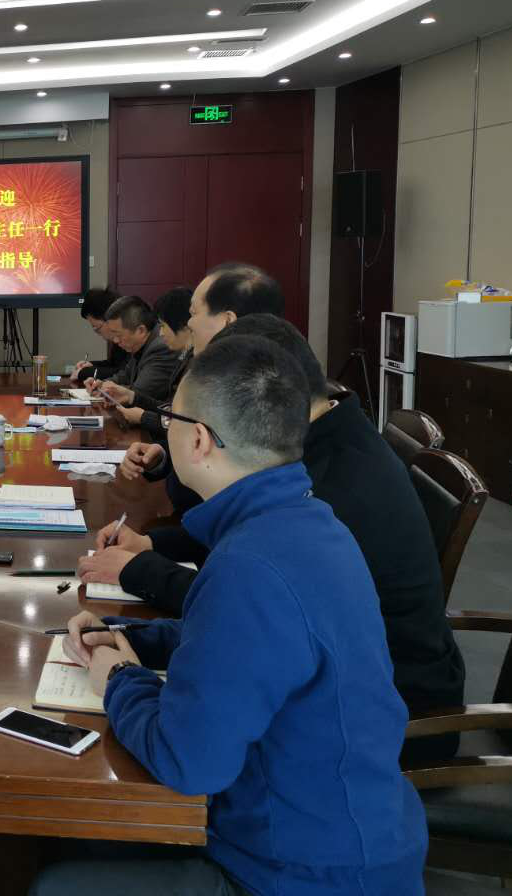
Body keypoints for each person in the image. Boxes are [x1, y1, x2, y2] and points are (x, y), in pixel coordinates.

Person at [36, 336, 427, 895]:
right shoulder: (311, 522)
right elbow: (246, 644)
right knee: (80, 838)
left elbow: (188, 761)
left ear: (198, 439)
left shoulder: (250, 566)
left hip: (300, 873)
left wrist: (120, 678)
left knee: (57, 881)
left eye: (171, 418)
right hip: (356, 832)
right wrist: (134, 637)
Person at [78, 314, 465, 751]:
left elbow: (192, 748)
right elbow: (243, 610)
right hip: (333, 694)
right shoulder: (302, 472)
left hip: (379, 719)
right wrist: (138, 621)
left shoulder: (325, 498)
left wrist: (121, 675)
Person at [116, 263, 285, 513]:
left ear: (227, 321)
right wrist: (162, 454)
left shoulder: (263, 391)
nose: (190, 323)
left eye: (193, 313)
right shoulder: (219, 372)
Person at [99, 286, 193, 432]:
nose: (161, 333)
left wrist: (143, 416)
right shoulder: (141, 346)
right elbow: (171, 410)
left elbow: (182, 420)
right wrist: (115, 390)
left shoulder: (162, 348)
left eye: (163, 326)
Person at [84, 295, 176, 409]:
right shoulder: (138, 345)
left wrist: (108, 389)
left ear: (140, 330)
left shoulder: (161, 348)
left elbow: (139, 393)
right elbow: (124, 376)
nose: (115, 340)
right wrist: (101, 384)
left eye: (118, 335)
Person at [68, 287, 125, 383]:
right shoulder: (118, 340)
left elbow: (124, 373)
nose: (98, 334)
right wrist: (91, 365)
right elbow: (113, 364)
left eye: (97, 328)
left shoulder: (127, 338)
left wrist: (84, 373)